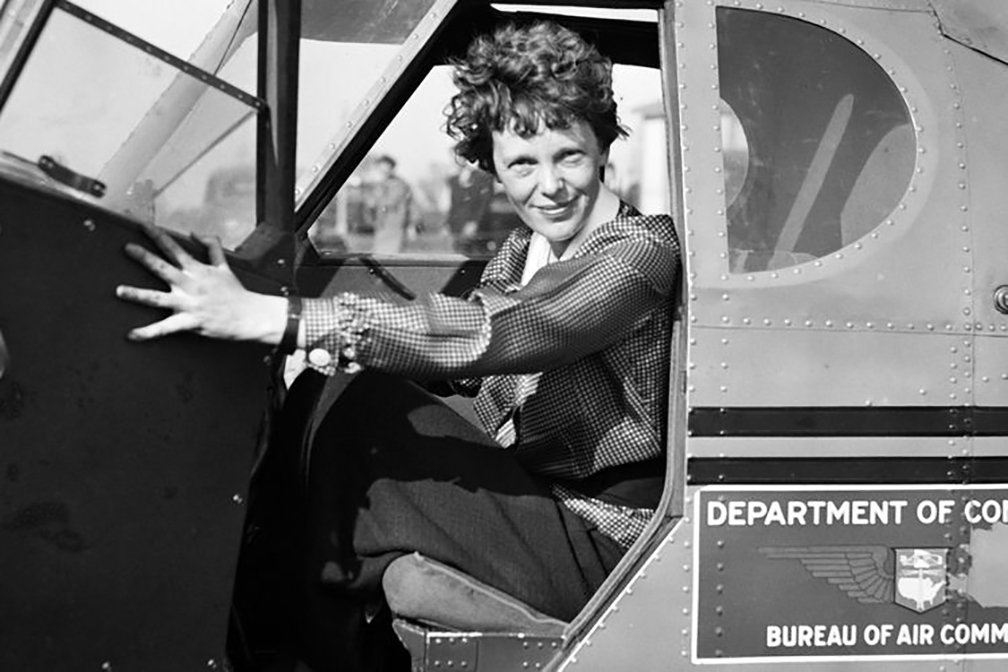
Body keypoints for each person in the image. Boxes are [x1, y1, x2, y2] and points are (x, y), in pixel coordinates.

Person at [116, 20, 679, 672]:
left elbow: (498, 331)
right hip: (540, 504)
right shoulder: (526, 250)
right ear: (492, 165)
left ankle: (283, 643)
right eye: (522, 163)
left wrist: (288, 319)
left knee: (365, 411)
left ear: (603, 145)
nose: (549, 186)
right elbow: (472, 374)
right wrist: (335, 353)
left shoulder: (638, 253)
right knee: (331, 393)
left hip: (605, 543)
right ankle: (259, 632)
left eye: (569, 156)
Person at [362, 154, 415, 254]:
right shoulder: (379, 185)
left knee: (392, 256)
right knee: (379, 255)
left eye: (386, 169)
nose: (383, 172)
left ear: (392, 169)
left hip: (395, 226)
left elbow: (391, 202)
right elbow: (370, 205)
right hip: (381, 225)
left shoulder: (400, 184)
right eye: (381, 169)